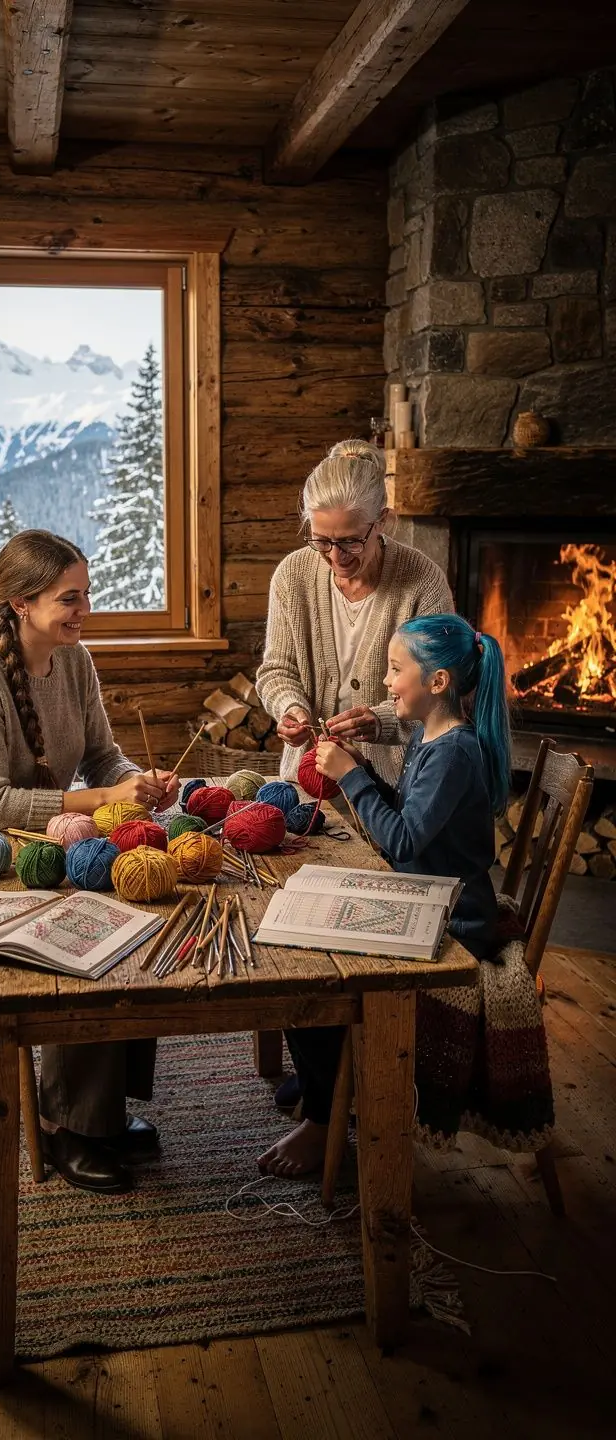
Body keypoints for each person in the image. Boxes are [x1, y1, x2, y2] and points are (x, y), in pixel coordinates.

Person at [0, 530, 179, 1196]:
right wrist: (104, 797)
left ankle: (100, 1112)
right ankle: (68, 1129)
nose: (83, 609)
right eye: (69, 598)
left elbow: (103, 758)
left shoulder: (74, 659)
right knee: (84, 925)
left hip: (42, 838)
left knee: (137, 902)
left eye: (85, 594)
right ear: (20, 603)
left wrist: (138, 781)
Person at [258, 613, 511, 1178]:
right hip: (428, 894)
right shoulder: (432, 737)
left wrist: (349, 777)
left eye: (397, 670)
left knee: (310, 966)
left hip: (454, 918)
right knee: (301, 931)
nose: (387, 683)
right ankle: (328, 1077)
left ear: (438, 681)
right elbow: (410, 814)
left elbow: (400, 841)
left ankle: (326, 1115)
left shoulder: (453, 752)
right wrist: (366, 771)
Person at [256, 439, 453, 787]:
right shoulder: (292, 576)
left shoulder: (422, 582)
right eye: (321, 541)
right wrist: (290, 707)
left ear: (382, 522)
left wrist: (381, 722)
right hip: (306, 782)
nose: (336, 557)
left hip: (392, 789)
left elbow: (439, 693)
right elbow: (277, 669)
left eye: (350, 541)